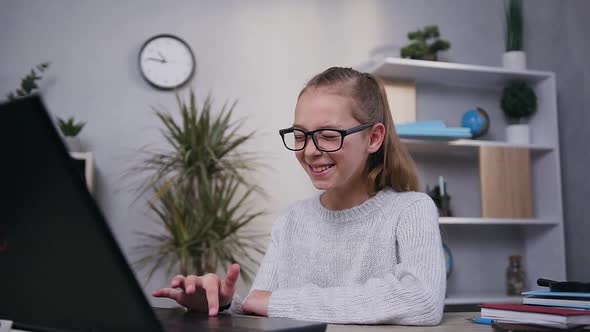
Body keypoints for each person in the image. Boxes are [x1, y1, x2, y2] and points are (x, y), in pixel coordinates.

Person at [153, 67, 446, 325]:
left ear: (374, 138)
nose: (309, 151)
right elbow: (260, 306)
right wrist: (223, 305)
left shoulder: (411, 209)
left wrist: (278, 303)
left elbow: (422, 301)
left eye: (329, 135)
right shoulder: (292, 220)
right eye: (300, 135)